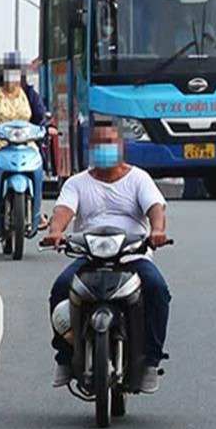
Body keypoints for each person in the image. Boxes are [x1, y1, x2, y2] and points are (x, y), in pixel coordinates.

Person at [42, 115, 170, 390]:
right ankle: (64, 357)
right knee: (60, 288)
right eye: (99, 144)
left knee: (158, 289)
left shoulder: (138, 179)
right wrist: (56, 231)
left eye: (110, 144)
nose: (104, 150)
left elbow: (155, 208)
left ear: (121, 146)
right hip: (90, 256)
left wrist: (157, 230)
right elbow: (63, 210)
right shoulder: (77, 182)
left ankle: (151, 360)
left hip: (132, 256)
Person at [0, 51, 46, 234]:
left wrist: (46, 126)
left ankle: (38, 211)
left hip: (26, 143)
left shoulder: (27, 91)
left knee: (37, 165)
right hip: (0, 143)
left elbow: (41, 114)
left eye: (16, 71)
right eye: (9, 71)